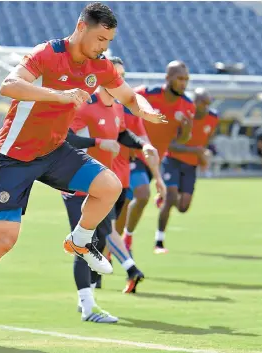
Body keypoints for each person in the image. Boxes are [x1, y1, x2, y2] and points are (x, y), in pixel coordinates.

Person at [0, 2, 167, 342]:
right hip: (14, 157)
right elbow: (8, 86)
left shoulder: (101, 66)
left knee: (108, 187)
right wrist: (59, 95)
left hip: (54, 151)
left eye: (108, 42)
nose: (102, 48)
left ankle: (79, 240)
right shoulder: (46, 54)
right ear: (81, 26)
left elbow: (128, 96)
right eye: (99, 39)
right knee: (4, 240)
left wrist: (149, 111)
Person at [63, 57, 158, 324]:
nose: (121, 82)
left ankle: (88, 301)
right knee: (85, 244)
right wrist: (98, 142)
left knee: (101, 240)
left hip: (101, 188)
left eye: (123, 76)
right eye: (116, 76)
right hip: (77, 184)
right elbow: (65, 136)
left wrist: (143, 146)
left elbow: (124, 135)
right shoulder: (85, 106)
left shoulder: (116, 108)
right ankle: (89, 306)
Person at [122, 60, 195, 255]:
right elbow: (123, 104)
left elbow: (182, 139)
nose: (183, 83)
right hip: (133, 153)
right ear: (167, 78)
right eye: (179, 78)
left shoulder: (188, 105)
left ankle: (117, 241)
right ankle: (125, 239)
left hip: (154, 160)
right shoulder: (147, 93)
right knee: (141, 195)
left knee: (129, 201)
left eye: (186, 79)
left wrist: (187, 129)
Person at [154, 88, 219, 250]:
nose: (205, 107)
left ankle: (165, 195)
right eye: (202, 103)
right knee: (171, 198)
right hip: (172, 160)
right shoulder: (183, 116)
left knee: (183, 207)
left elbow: (206, 139)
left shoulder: (213, 118)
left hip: (191, 165)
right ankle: (159, 241)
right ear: (194, 102)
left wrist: (204, 154)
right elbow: (170, 144)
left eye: (208, 103)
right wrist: (195, 150)